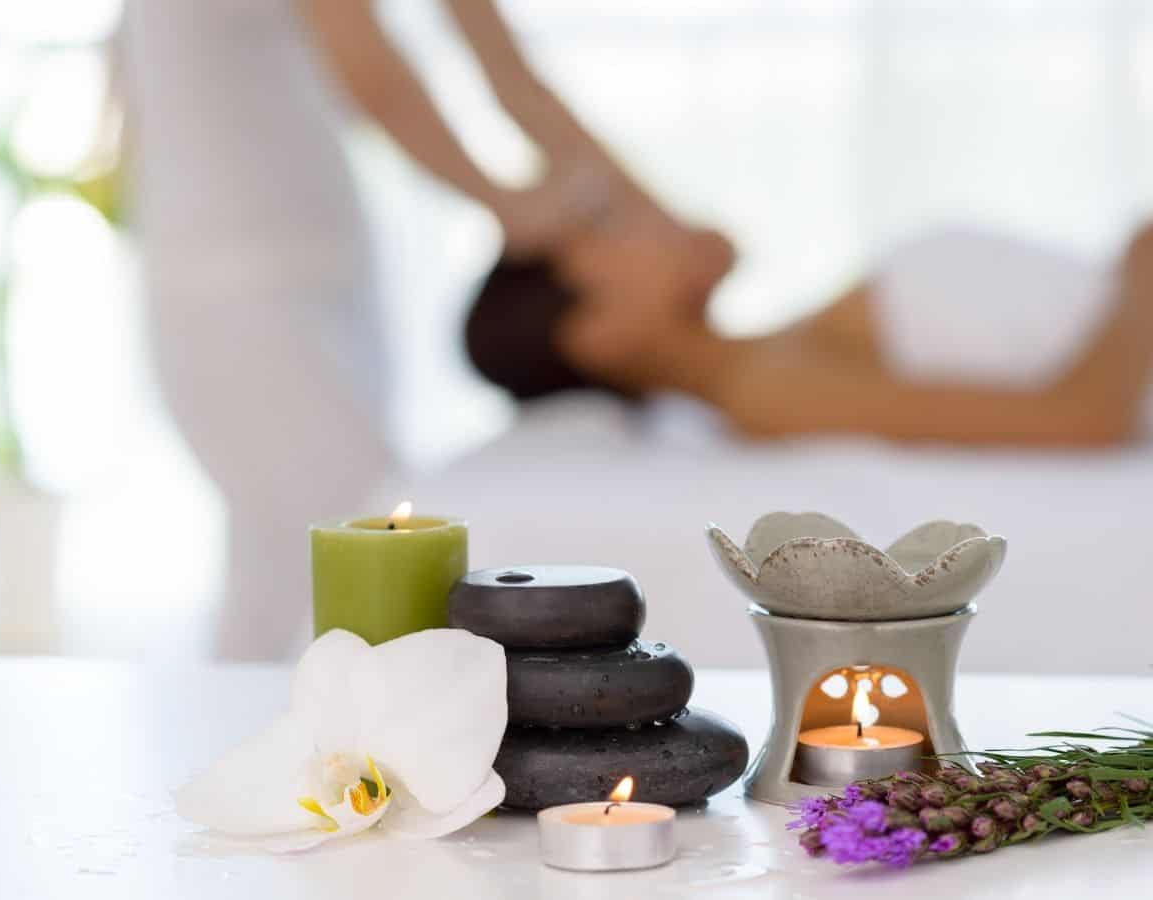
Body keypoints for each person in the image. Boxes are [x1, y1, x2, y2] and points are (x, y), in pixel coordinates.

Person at [121, 0, 725, 658]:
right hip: (235, 276)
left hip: (330, 266)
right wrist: (510, 206)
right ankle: (315, 750)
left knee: (282, 564)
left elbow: (517, 85)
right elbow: (373, 74)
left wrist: (673, 234)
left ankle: (268, 749)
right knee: (353, 557)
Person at [469, 223, 1153, 448]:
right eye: (606, 232)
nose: (645, 219)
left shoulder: (786, 348)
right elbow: (1081, 419)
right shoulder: (766, 393)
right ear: (601, 335)